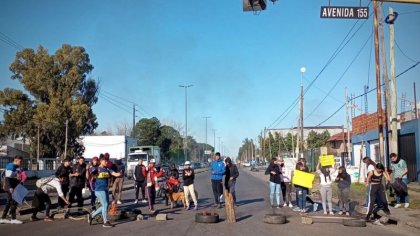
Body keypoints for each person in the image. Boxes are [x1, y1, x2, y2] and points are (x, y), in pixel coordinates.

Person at [87, 157, 122, 228]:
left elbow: (115, 174)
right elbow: (90, 175)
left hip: (105, 190)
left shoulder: (107, 169)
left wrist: (120, 173)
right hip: (99, 189)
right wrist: (89, 170)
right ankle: (105, 222)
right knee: (105, 205)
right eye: (105, 161)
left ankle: (92, 215)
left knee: (105, 206)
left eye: (107, 161)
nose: (106, 163)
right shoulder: (97, 168)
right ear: (101, 161)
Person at [0, 156, 24, 224]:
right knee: (13, 202)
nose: (21, 163)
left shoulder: (14, 166)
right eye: (20, 161)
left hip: (11, 186)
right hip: (10, 187)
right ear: (16, 160)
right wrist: (11, 187)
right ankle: (13, 219)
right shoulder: (11, 165)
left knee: (9, 202)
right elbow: (8, 177)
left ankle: (3, 218)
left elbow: (12, 176)